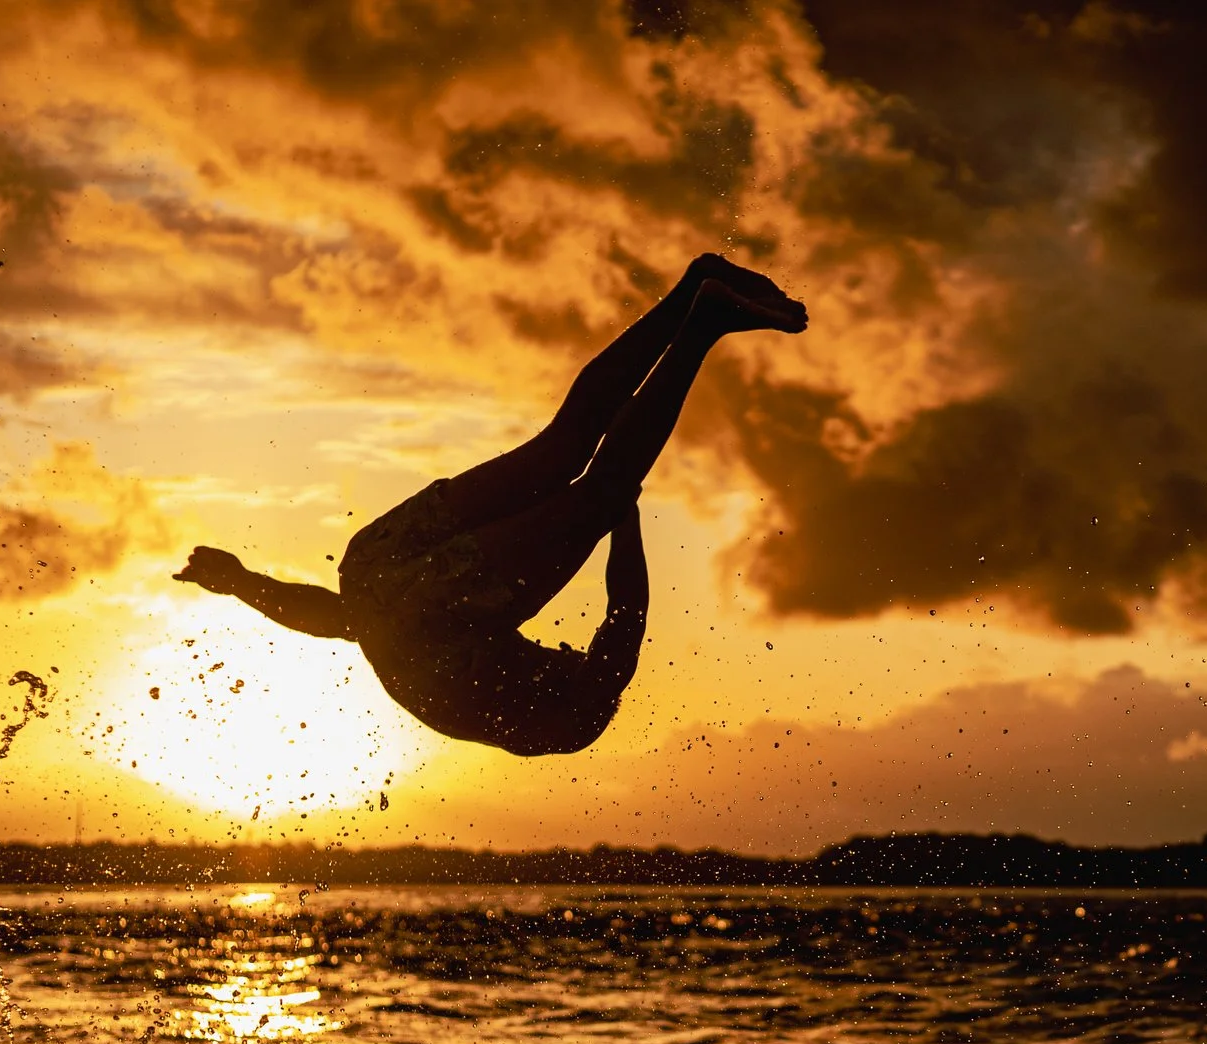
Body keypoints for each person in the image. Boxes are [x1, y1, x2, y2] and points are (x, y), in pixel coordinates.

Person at [173, 253, 805, 755]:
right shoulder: (450, 678)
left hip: (428, 604)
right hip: (373, 562)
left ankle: (700, 320)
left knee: (588, 474)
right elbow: (342, 617)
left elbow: (625, 613)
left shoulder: (576, 710)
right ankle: (693, 289)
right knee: (563, 453)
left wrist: (623, 513)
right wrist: (241, 582)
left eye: (561, 656)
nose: (555, 644)